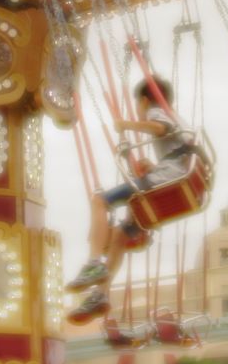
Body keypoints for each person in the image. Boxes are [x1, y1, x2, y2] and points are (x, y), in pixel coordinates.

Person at [65, 77, 198, 324]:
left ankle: (94, 263)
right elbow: (175, 146)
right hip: (171, 176)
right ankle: (100, 295)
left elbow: (161, 128)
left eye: (138, 104)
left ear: (144, 100)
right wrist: (153, 165)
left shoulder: (158, 112)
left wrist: (127, 124)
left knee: (100, 201)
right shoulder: (176, 115)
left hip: (166, 180)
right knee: (120, 236)